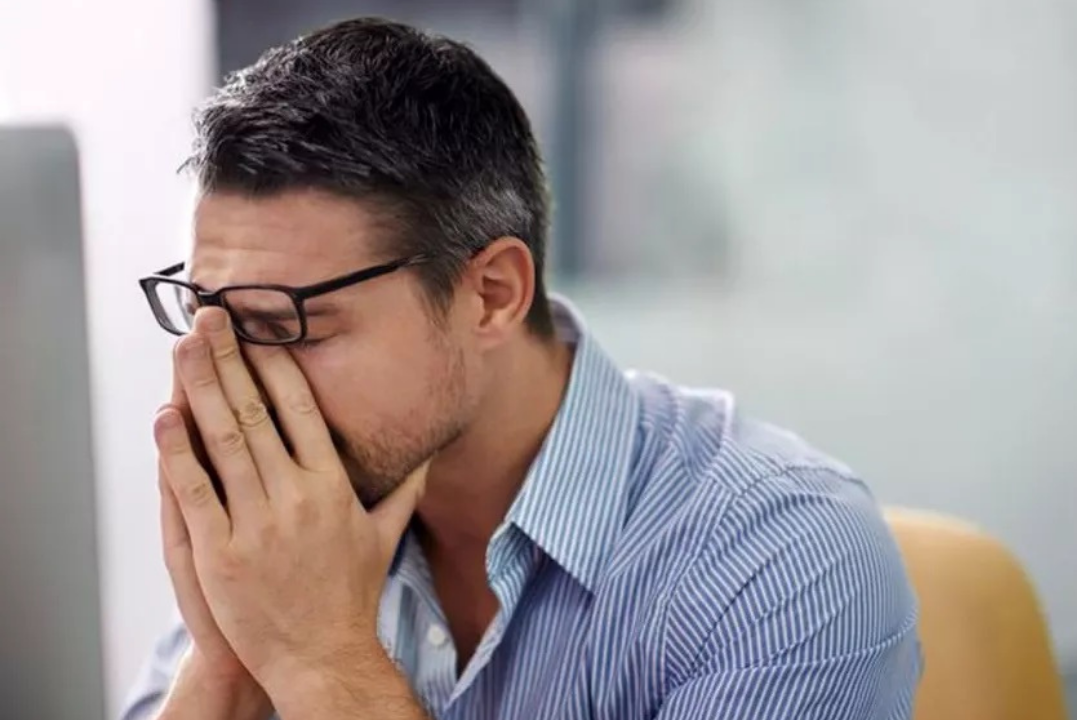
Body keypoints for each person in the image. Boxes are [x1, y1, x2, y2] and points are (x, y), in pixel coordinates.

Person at [121, 17, 921, 720]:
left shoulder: (782, 563)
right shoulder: (293, 537)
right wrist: (226, 668)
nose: (234, 386)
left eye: (289, 324)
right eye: (207, 317)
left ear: (492, 295)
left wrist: (322, 662)